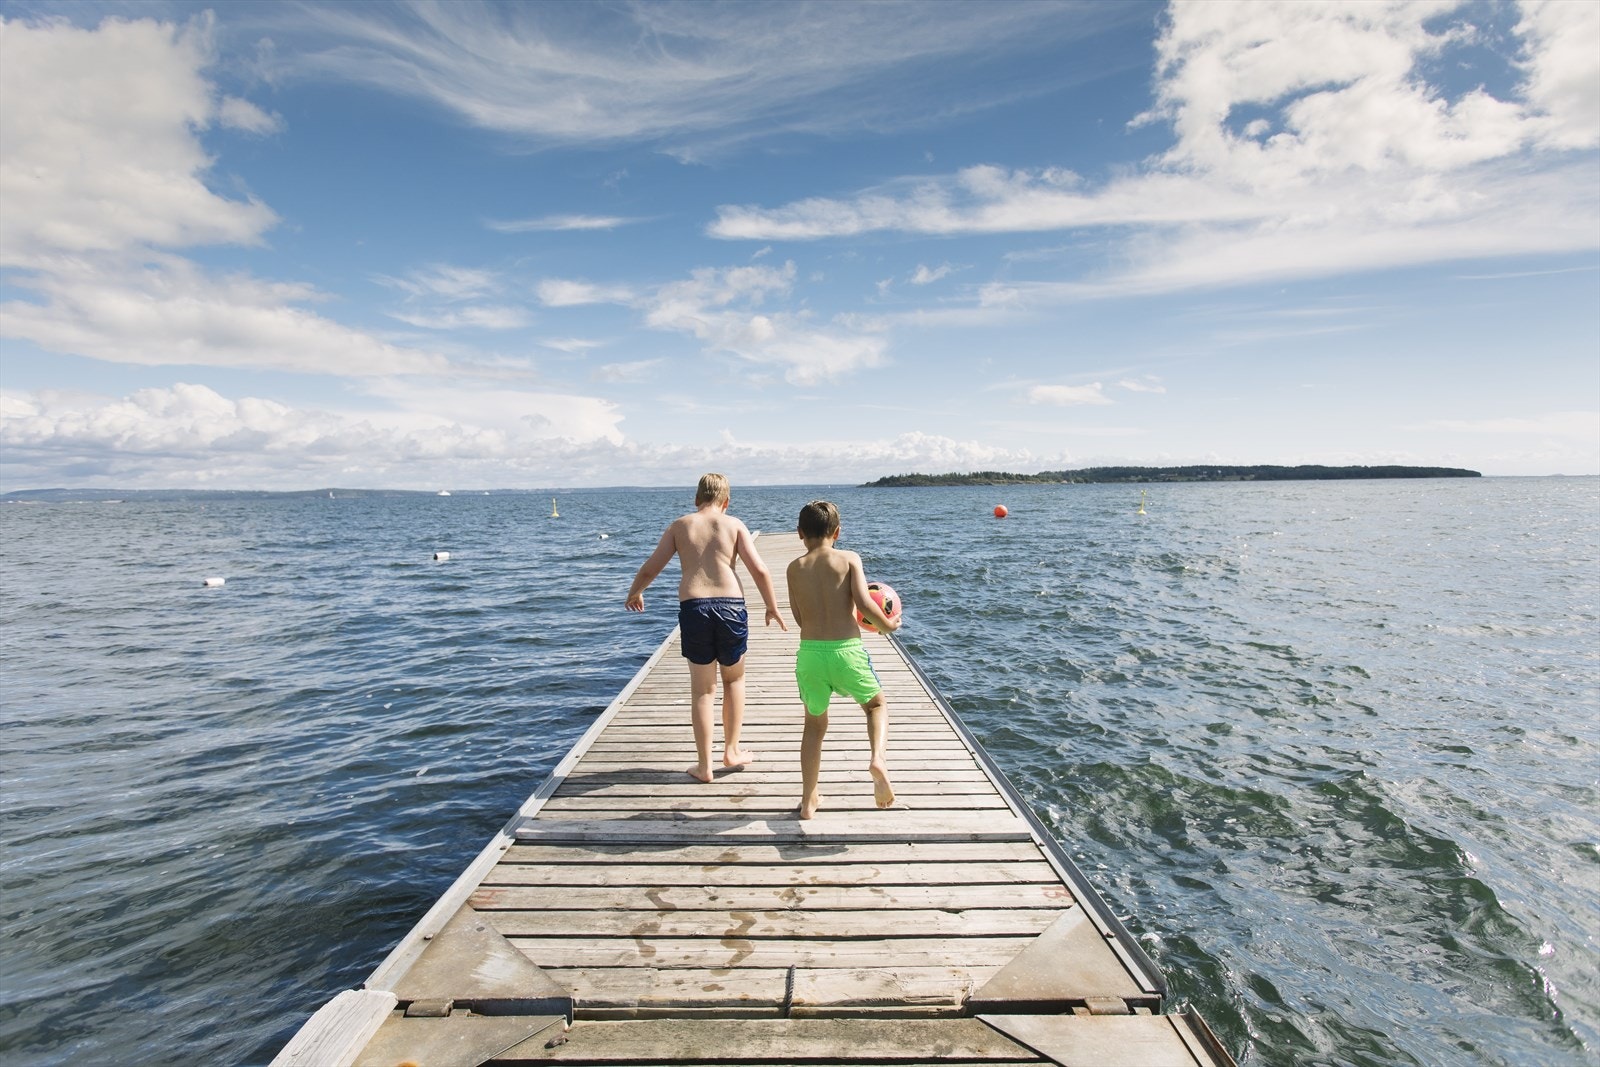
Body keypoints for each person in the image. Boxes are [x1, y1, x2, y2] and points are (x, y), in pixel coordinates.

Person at [626, 473, 786, 782]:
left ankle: (704, 766)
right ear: (726, 502)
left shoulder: (680, 526)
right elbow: (760, 570)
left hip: (695, 607)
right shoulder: (735, 525)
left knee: (702, 690)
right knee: (734, 681)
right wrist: (772, 606)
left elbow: (650, 567)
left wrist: (636, 591)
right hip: (731, 607)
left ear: (696, 499)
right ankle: (732, 751)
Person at [785, 499, 900, 820]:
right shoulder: (849, 559)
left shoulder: (794, 568)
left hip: (810, 654)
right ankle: (878, 759)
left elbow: (798, 616)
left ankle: (808, 800)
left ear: (799, 534)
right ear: (837, 532)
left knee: (814, 725)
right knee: (875, 705)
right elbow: (864, 604)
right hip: (847, 650)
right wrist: (887, 625)